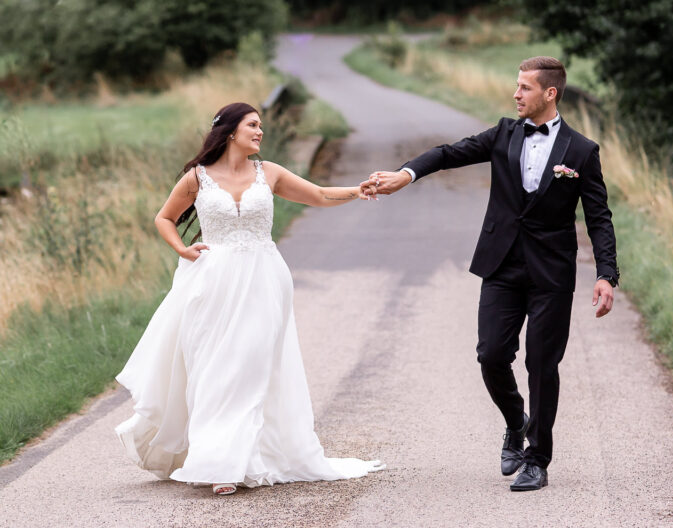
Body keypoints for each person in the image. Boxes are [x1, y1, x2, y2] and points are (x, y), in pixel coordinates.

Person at [361, 57, 619, 491]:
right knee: (491, 354)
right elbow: (448, 153)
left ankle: (537, 459)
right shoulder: (503, 133)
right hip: (501, 265)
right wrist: (406, 174)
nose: (516, 94)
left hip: (552, 274)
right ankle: (516, 421)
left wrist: (606, 274)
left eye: (525, 87)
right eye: (516, 86)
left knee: (542, 364)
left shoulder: (581, 151)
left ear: (550, 93)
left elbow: (599, 217)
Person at [115, 102, 384, 496]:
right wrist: (182, 249)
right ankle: (218, 461)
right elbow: (164, 217)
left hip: (263, 279)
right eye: (253, 125)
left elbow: (318, 194)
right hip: (213, 283)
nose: (260, 131)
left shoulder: (269, 172)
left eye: (260, 125)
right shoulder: (197, 177)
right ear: (230, 132)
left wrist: (356, 191)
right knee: (215, 369)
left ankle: (239, 458)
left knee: (250, 365)